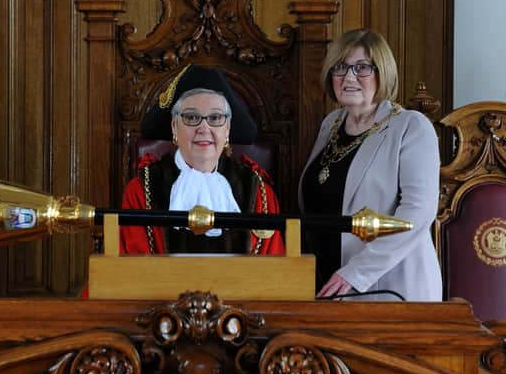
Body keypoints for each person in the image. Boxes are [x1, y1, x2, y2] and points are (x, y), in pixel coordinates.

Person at [298, 29, 442, 301]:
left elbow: (418, 212)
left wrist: (356, 273)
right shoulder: (331, 124)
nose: (349, 77)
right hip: (327, 281)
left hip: (389, 286)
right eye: (340, 67)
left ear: (382, 72)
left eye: (362, 67)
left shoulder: (410, 126)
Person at [120, 64, 284, 254]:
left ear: (227, 129)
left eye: (215, 118)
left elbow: (274, 274)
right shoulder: (142, 191)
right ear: (174, 126)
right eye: (191, 117)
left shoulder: (258, 193)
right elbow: (131, 271)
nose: (204, 128)